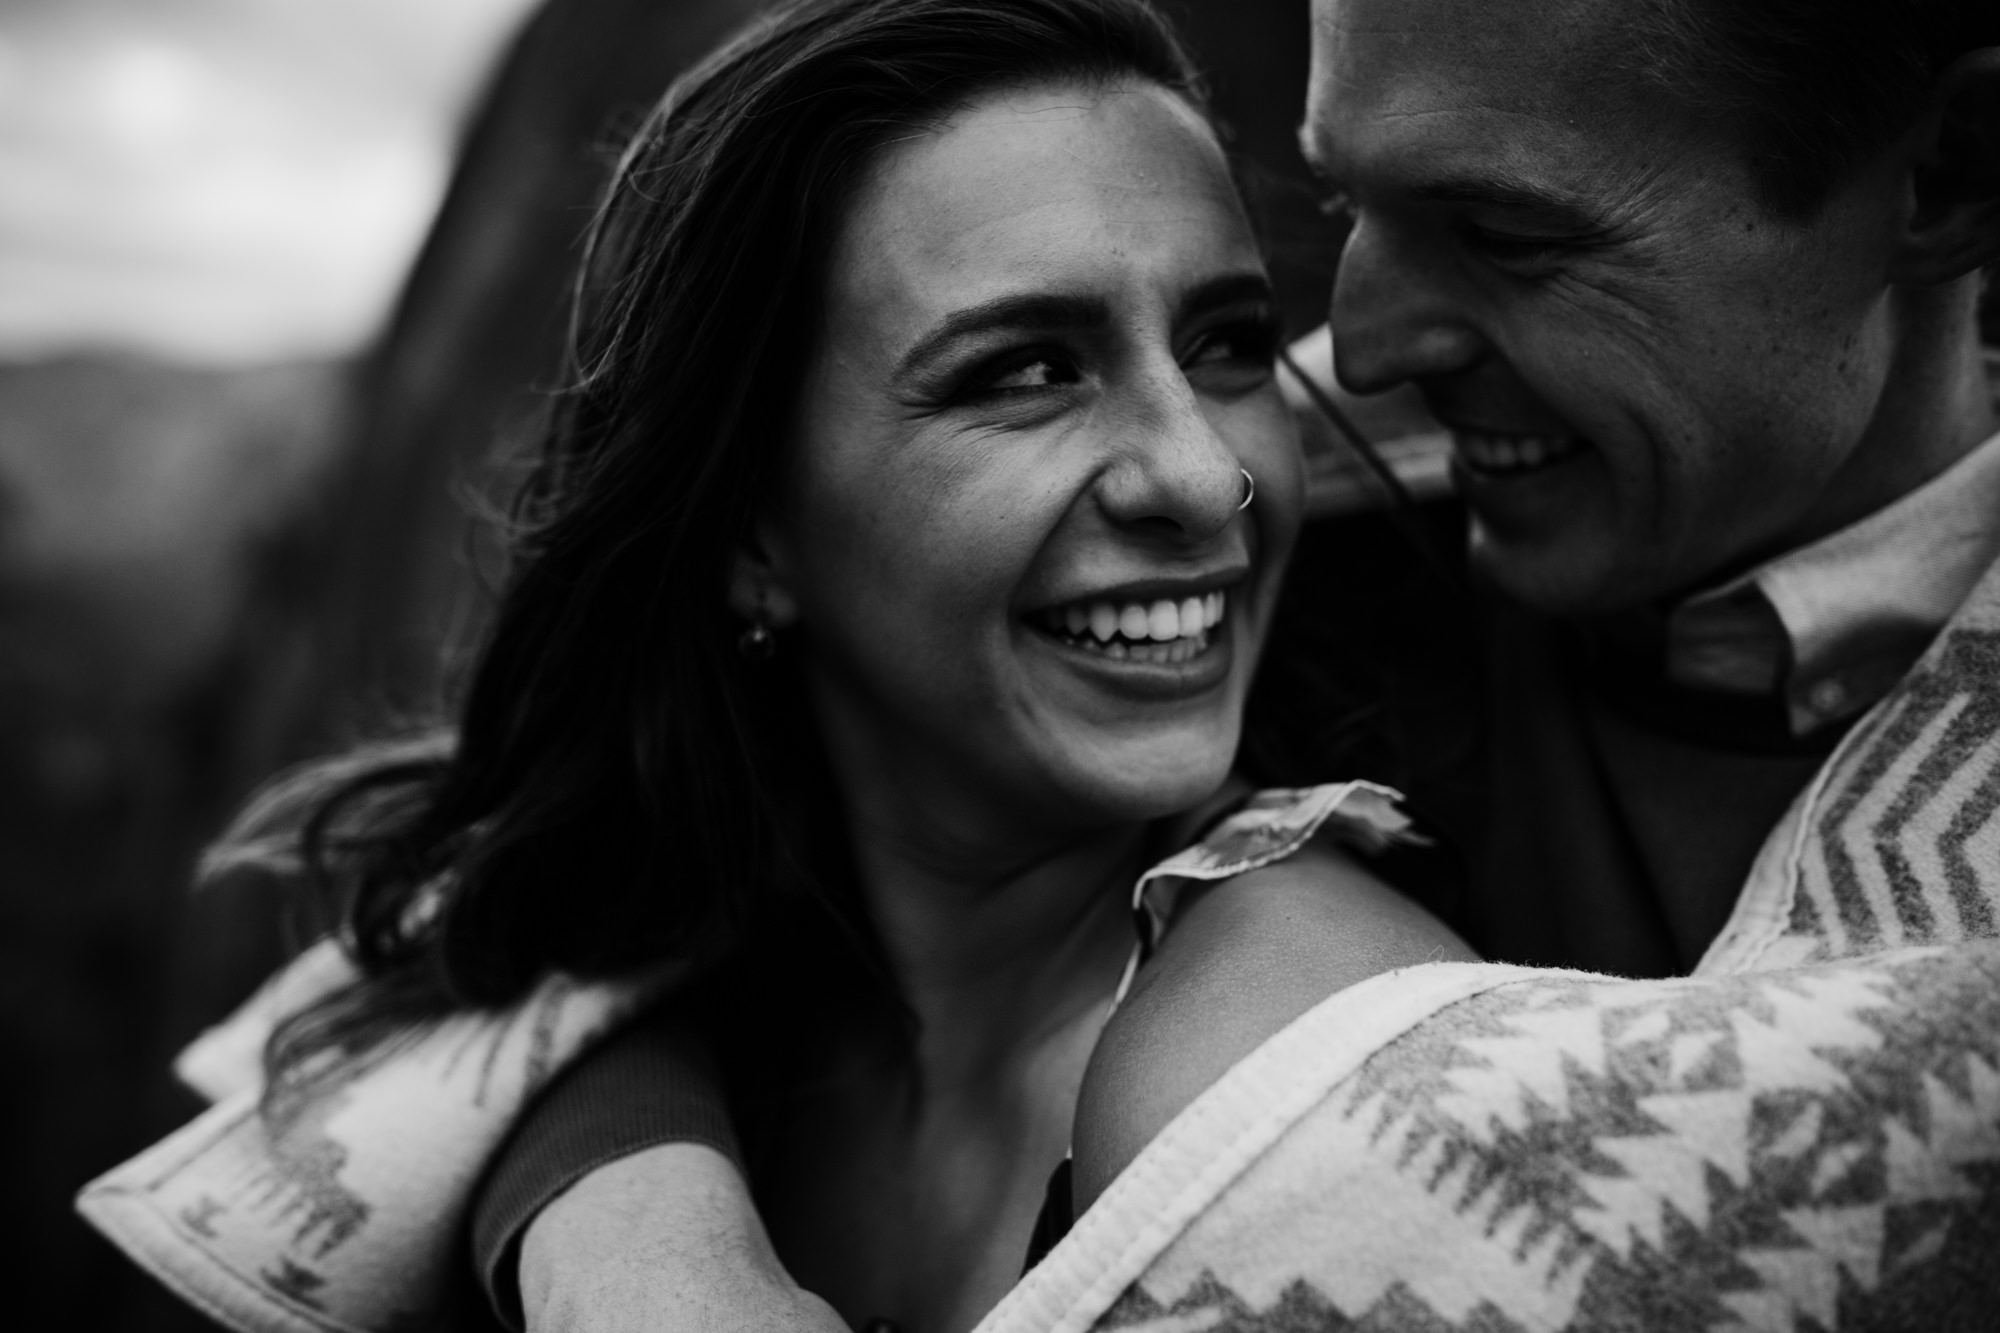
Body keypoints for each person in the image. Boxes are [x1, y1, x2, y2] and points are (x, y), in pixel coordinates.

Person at [440, 0, 2000, 1325]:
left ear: (1943, 177)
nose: (1360, 353)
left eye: (1507, 232)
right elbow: (511, 901)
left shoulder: (1274, 934)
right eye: (1341, 216)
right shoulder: (1378, 505)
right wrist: (635, 1230)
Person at [74, 3, 1474, 1332]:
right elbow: (470, 979)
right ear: (751, 531)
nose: (1206, 471)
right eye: (1027, 369)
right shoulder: (719, 979)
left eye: (1227, 341)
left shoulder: (1328, 1069)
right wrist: (614, 1202)